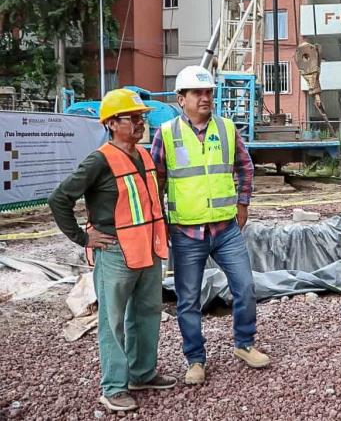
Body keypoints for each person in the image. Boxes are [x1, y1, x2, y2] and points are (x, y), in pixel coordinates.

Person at [49, 89, 176, 412]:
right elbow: (59, 199)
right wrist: (83, 238)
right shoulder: (99, 160)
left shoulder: (143, 155)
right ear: (110, 124)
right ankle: (114, 387)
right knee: (113, 320)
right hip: (116, 253)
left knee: (146, 314)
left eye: (141, 118)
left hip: (147, 249)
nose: (139, 123)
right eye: (132, 118)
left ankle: (142, 373)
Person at [150, 65, 268, 386]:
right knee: (188, 300)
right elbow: (156, 181)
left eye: (208, 93)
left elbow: (244, 166)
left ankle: (244, 344)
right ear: (181, 98)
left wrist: (242, 202)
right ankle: (195, 359)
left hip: (225, 230)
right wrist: (159, 222)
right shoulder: (167, 134)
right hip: (186, 232)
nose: (205, 98)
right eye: (197, 93)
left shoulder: (227, 129)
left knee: (244, 286)